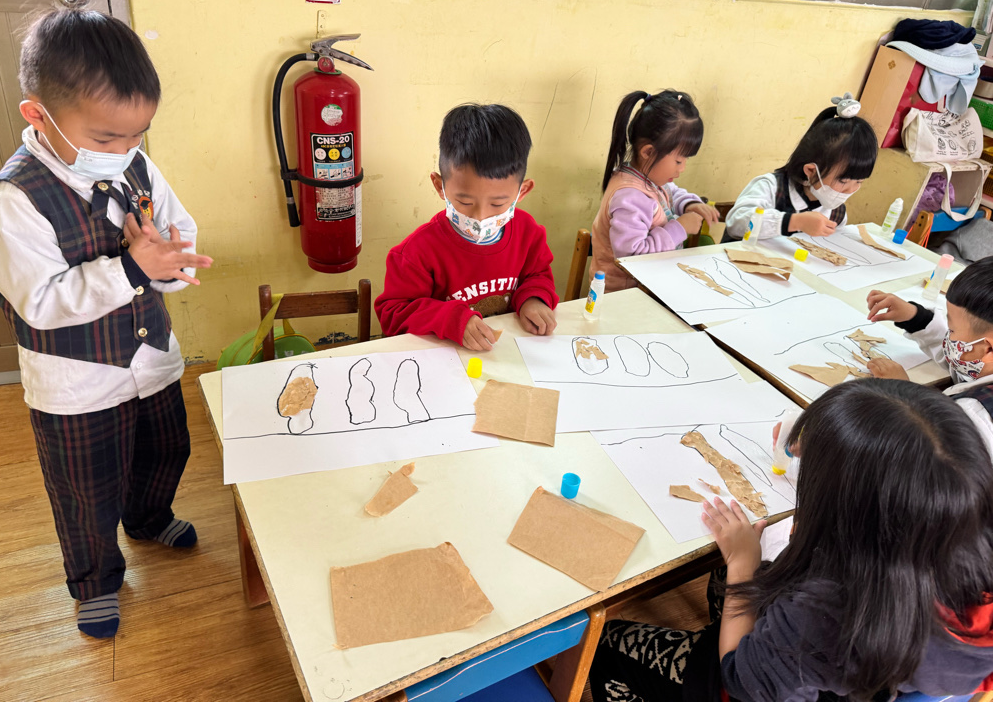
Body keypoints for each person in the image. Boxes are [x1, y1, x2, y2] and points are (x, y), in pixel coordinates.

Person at [0, 8, 213, 639]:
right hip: (76, 385)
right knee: (86, 490)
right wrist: (134, 268)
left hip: (151, 359)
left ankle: (148, 517)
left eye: (137, 136)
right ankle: (96, 581)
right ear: (39, 115)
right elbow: (40, 302)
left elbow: (176, 229)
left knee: (167, 448)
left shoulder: (133, 164)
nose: (124, 152)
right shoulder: (16, 201)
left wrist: (170, 264)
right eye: (107, 138)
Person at [589, 379, 993, 701]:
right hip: (863, 674)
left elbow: (740, 680)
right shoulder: (957, 539)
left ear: (846, 509)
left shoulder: (824, 611)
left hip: (757, 684)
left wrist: (742, 564)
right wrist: (828, 443)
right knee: (727, 577)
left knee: (608, 645)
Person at [375, 103, 558, 351]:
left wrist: (533, 298)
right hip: (447, 359)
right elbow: (393, 313)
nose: (480, 217)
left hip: (506, 353)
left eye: (498, 203)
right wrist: (451, 320)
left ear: (521, 192)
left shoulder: (527, 232)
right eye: (465, 201)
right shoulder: (415, 253)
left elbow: (538, 274)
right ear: (440, 186)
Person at [590, 89, 716, 292]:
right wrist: (679, 228)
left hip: (651, 285)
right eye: (678, 161)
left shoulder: (649, 178)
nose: (682, 168)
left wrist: (690, 204)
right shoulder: (630, 196)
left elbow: (671, 193)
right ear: (648, 152)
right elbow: (631, 259)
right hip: (624, 296)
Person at [864, 256, 993, 453]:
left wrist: (904, 394)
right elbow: (965, 359)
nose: (949, 335)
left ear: (989, 349)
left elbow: (927, 452)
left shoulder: (976, 418)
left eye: (952, 329)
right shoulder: (982, 362)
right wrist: (915, 317)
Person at [723, 98, 878, 243]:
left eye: (859, 181)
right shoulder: (771, 187)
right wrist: (794, 222)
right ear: (811, 171)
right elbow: (736, 224)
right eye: (843, 181)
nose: (850, 190)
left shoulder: (836, 212)